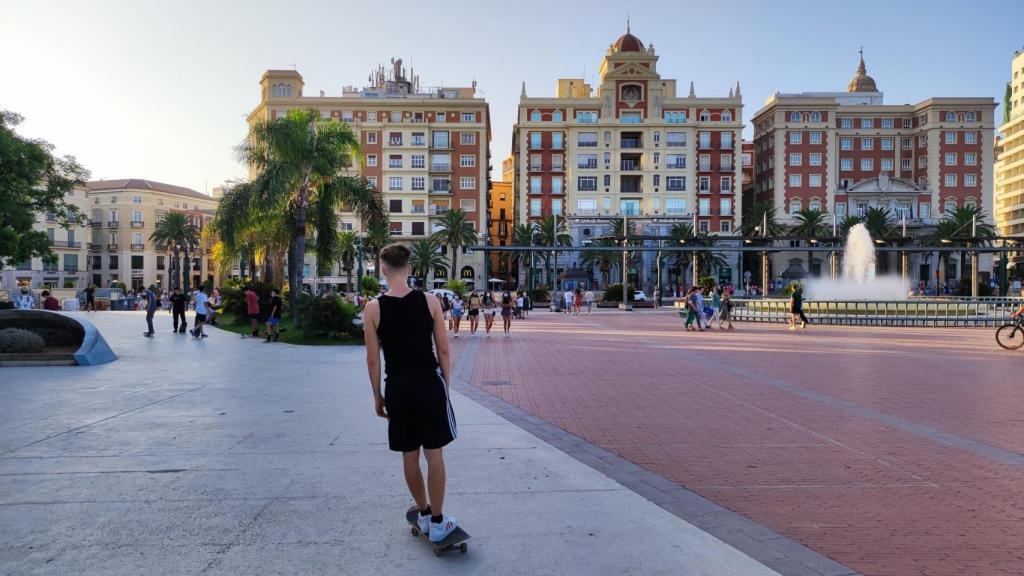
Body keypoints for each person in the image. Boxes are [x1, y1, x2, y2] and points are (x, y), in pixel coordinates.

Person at [362, 244, 458, 544]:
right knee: (435, 455)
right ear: (410, 267)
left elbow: (373, 359)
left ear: (383, 268)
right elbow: (443, 348)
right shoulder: (431, 302)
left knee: (409, 454)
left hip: (398, 389)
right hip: (429, 386)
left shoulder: (373, 308)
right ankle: (440, 521)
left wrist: (378, 396)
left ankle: (425, 512)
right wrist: (446, 383)